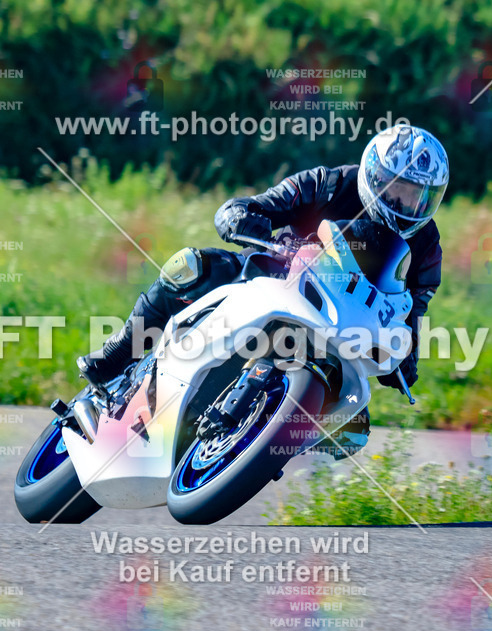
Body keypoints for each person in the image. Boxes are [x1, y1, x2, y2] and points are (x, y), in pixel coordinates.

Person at [77, 123, 448, 452]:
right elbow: (259, 204)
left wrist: (406, 356)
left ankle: (266, 443)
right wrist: (241, 216)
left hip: (344, 326)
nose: (405, 204)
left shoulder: (427, 249)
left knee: (353, 428)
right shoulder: (331, 184)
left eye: (418, 196)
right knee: (190, 267)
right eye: (397, 189)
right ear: (374, 175)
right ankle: (118, 353)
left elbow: (410, 312)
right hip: (277, 275)